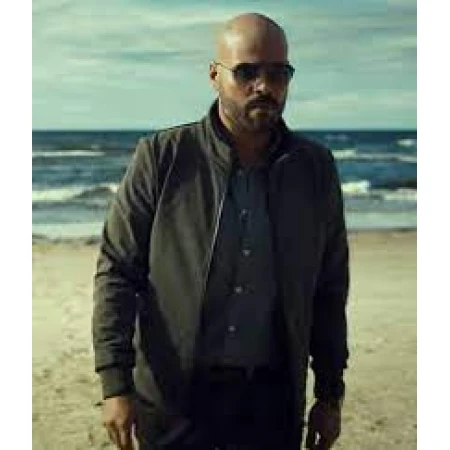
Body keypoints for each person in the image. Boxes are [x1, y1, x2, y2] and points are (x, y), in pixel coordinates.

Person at [92, 12, 349, 450]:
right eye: (247, 72)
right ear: (215, 75)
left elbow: (329, 288)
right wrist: (115, 384)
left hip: (271, 404)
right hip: (176, 401)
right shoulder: (162, 157)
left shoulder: (314, 168)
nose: (264, 86)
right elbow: (117, 272)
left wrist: (330, 393)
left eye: (278, 73)